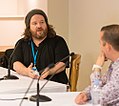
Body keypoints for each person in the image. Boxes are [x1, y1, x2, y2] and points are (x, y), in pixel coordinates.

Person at [11, 9, 69, 84]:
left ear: (46, 24)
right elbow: (16, 64)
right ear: (29, 27)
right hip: (28, 84)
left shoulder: (58, 41)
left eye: (42, 22)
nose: (39, 26)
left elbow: (62, 64)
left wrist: (49, 71)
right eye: (35, 23)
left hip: (54, 84)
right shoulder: (21, 43)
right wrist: (27, 71)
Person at [75, 24, 119, 105]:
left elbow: (98, 98)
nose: (100, 48)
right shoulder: (115, 64)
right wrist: (86, 94)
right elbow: (102, 82)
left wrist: (97, 68)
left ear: (108, 47)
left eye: (101, 43)